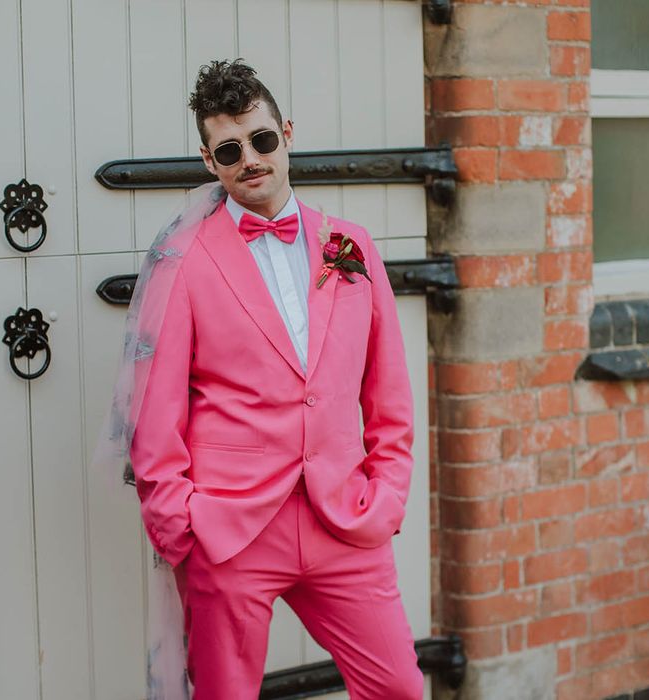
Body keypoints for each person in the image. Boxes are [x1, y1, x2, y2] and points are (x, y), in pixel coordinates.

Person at [128, 59, 423, 700]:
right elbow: (156, 415)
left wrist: (389, 492)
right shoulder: (185, 263)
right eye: (230, 150)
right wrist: (184, 528)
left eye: (262, 140)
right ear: (211, 161)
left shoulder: (352, 245)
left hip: (345, 520)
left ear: (286, 133)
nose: (250, 160)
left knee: (399, 687)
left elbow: (390, 390)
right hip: (231, 532)